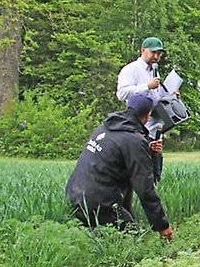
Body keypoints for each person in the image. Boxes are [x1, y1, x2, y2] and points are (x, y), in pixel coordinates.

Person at [66, 93, 174, 240]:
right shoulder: (133, 141)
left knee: (99, 238)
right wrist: (162, 226)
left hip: (76, 195)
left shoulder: (106, 127)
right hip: (100, 204)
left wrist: (149, 151)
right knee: (133, 239)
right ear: (147, 115)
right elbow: (145, 189)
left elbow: (118, 152)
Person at [117, 37, 166, 183]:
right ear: (143, 50)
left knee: (155, 176)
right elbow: (122, 94)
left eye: (159, 54)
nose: (156, 57)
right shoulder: (131, 70)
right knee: (139, 176)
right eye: (153, 53)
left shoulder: (154, 72)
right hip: (139, 131)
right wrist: (146, 86)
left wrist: (170, 94)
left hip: (156, 130)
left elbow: (155, 98)